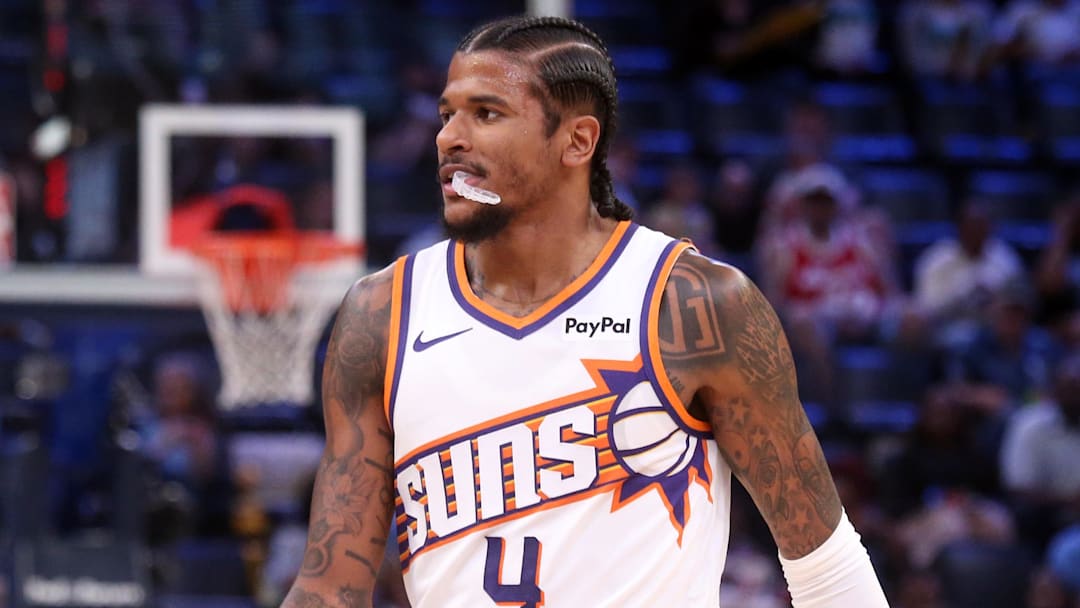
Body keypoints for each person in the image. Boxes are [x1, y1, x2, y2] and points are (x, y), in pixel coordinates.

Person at [282, 15, 888, 608]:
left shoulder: (695, 304)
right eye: (447, 114)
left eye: (486, 113)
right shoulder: (381, 314)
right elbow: (330, 587)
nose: (450, 138)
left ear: (578, 140)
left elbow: (826, 568)